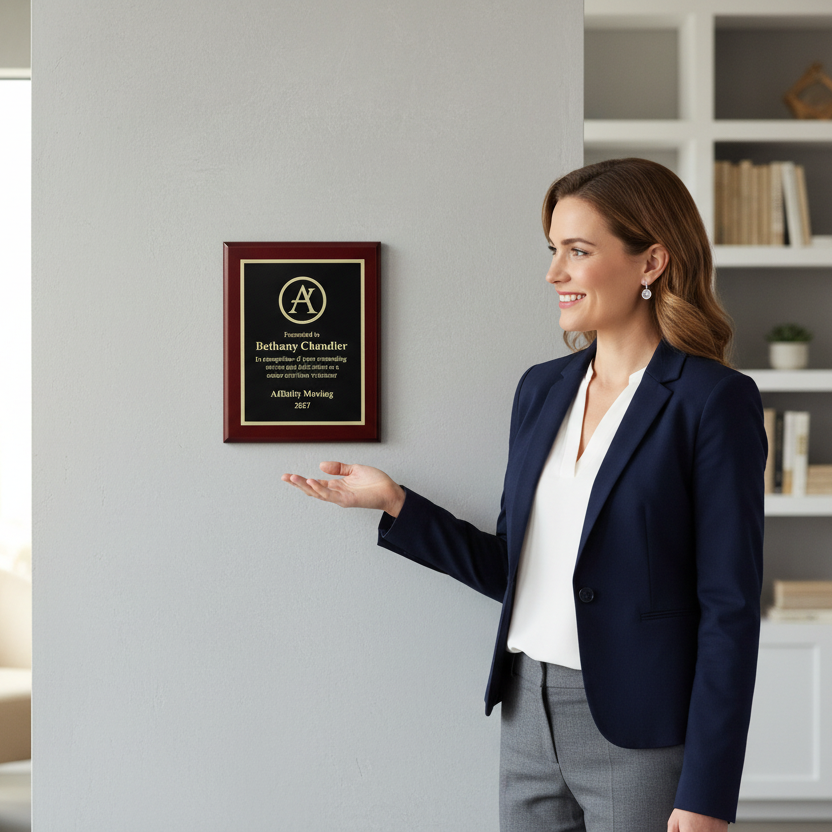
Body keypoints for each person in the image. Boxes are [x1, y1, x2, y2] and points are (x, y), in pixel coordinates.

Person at [283, 158, 767, 832]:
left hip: (643, 736)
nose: (554, 273)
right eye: (553, 250)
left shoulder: (713, 402)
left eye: (578, 251)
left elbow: (731, 610)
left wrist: (709, 792)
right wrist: (397, 506)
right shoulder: (542, 389)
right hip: (526, 714)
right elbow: (515, 568)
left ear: (650, 261)